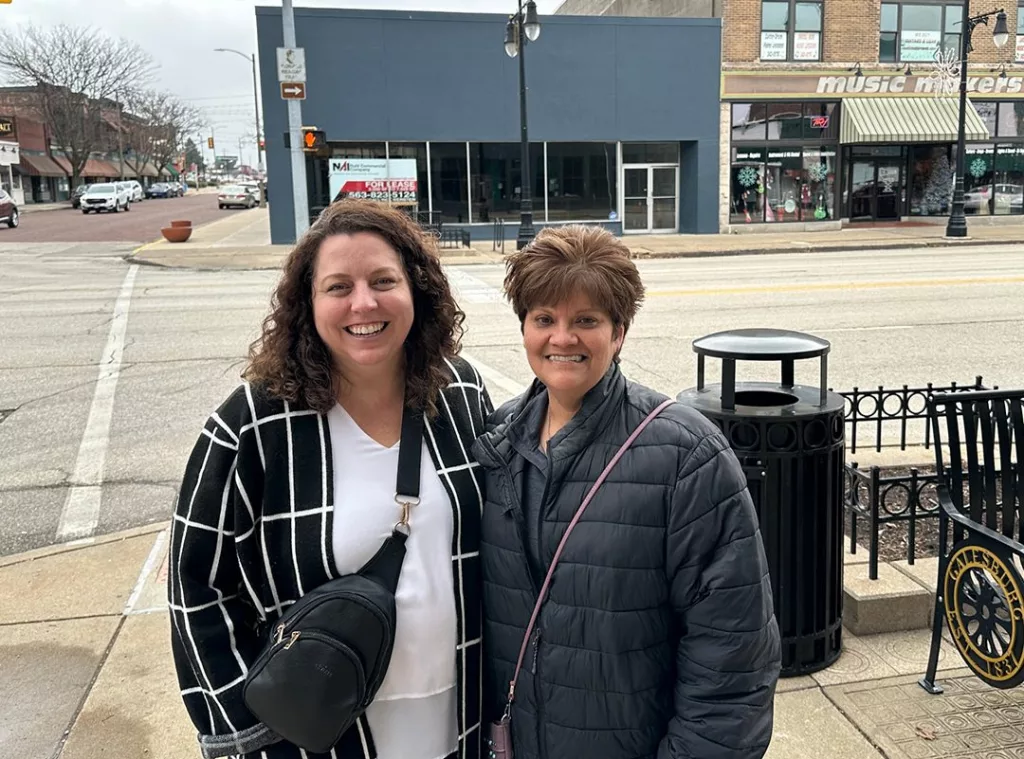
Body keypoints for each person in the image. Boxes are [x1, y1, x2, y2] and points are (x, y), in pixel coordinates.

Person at [168, 199, 491, 759]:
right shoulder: (253, 424)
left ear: (417, 290)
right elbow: (197, 590)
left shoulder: (458, 393)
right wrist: (247, 730)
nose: (363, 302)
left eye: (383, 280)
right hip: (326, 735)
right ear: (308, 304)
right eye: (338, 286)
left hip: (461, 717)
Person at [472, 225, 781, 759]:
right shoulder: (499, 443)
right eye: (544, 319)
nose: (562, 338)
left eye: (586, 321)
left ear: (619, 332)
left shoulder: (684, 454)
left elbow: (734, 660)